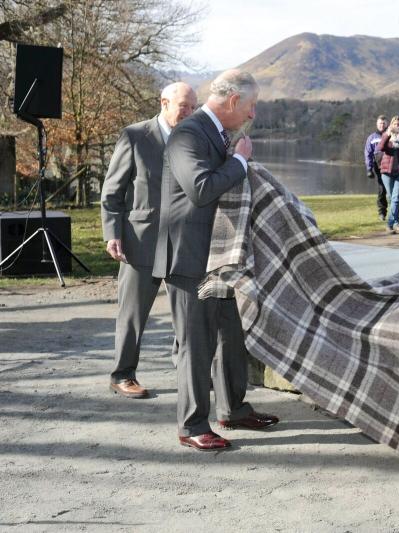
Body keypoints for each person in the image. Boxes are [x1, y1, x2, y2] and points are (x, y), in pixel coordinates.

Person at [153, 69, 278, 451]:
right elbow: (201, 188)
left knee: (231, 335)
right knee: (197, 343)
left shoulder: (217, 133)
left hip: (217, 257)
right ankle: (192, 426)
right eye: (252, 106)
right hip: (189, 259)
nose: (253, 115)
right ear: (234, 101)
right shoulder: (188, 133)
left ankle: (233, 409)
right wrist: (239, 162)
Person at [101, 82, 197, 399]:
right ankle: (122, 374)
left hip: (183, 242)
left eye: (193, 107)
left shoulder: (194, 140)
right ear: (164, 102)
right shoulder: (134, 136)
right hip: (139, 241)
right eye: (184, 105)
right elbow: (112, 193)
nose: (189, 112)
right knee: (132, 314)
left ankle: (187, 373)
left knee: (187, 314)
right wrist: (112, 233)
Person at [365, 115, 395, 221]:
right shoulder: (372, 138)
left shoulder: (392, 135)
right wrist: (369, 168)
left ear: (387, 124)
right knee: (382, 189)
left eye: (384, 123)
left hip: (393, 165)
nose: (382, 125)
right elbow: (368, 153)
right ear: (377, 124)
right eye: (380, 123)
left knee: (396, 190)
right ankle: (382, 212)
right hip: (379, 167)